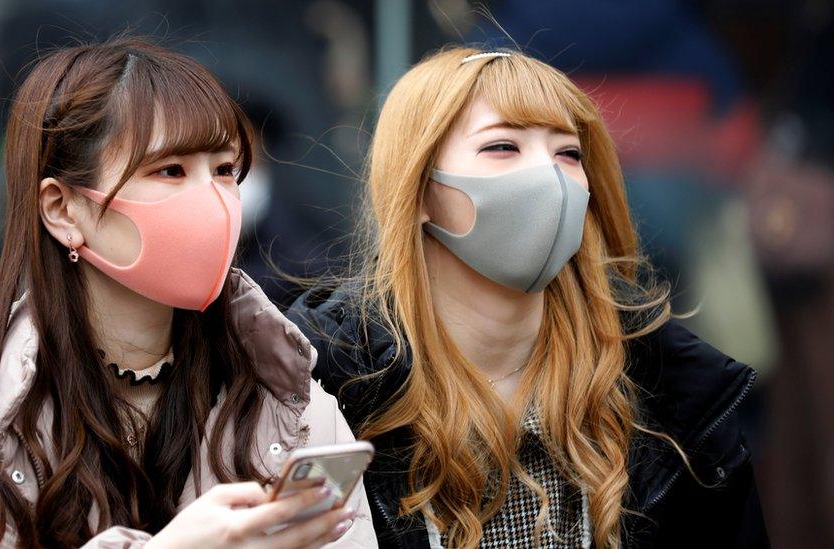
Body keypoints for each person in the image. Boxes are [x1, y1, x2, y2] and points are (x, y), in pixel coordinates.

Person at [0, 38, 375, 548]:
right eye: (169, 170)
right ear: (62, 209)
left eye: (224, 171)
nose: (213, 201)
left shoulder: (289, 404)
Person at [288, 47, 768, 547]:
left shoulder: (673, 392)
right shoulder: (321, 390)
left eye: (569, 153)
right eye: (502, 147)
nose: (551, 177)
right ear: (420, 190)